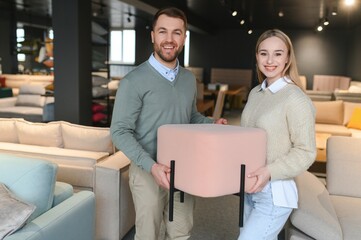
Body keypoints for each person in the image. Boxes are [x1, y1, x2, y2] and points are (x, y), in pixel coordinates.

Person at [110, 7, 227, 240]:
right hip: (147, 171)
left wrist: (212, 123)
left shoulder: (187, 79)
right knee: (148, 236)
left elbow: (189, 117)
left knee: (181, 233)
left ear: (184, 38)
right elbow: (119, 132)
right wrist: (151, 166)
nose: (169, 39)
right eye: (163, 32)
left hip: (183, 168)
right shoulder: (133, 82)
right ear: (153, 35)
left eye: (177, 33)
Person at [238, 29, 316, 240]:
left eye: (278, 54)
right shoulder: (256, 93)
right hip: (249, 188)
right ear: (257, 57)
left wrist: (268, 171)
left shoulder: (295, 98)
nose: (270, 60)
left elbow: (306, 152)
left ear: (288, 58)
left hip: (274, 193)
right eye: (264, 53)